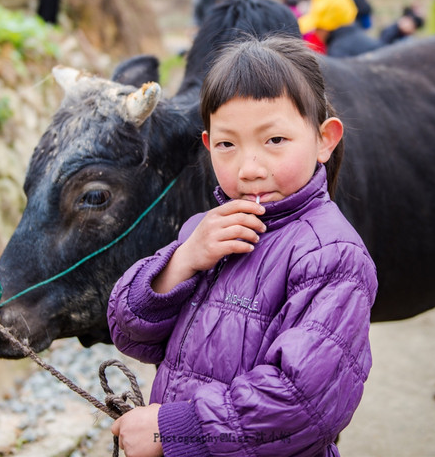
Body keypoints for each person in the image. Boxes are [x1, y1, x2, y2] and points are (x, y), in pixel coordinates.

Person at [108, 34, 377, 457]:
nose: (249, 169)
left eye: (274, 141)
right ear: (207, 144)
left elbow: (301, 402)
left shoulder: (331, 256)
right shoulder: (208, 231)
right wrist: (182, 261)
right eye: (227, 145)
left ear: (325, 139)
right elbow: (129, 333)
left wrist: (169, 431)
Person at [298, 0, 382, 57]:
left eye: (317, 27)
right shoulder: (366, 40)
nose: (314, 32)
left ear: (327, 27)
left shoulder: (338, 51)